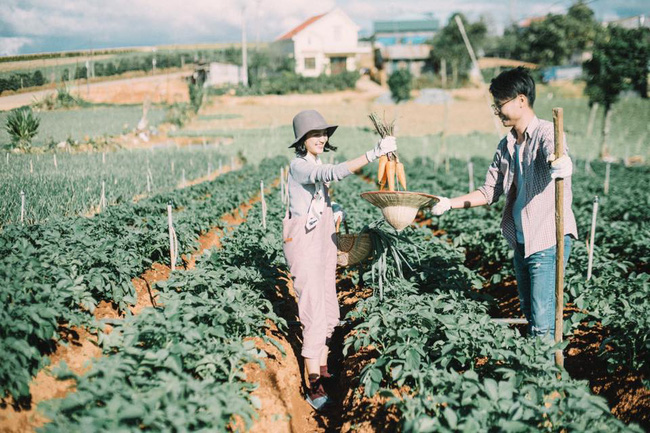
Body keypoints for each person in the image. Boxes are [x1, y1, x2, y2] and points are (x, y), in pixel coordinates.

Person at [431, 67, 577, 340]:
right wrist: (450, 203)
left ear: (521, 100)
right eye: (495, 104)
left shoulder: (547, 132)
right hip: (522, 240)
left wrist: (560, 162)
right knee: (530, 312)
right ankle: (539, 371)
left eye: (501, 103)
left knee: (542, 321)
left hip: (548, 239)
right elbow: (489, 191)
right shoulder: (506, 144)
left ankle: (546, 378)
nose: (497, 110)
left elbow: (554, 153)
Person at [283, 109, 396, 410]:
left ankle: (322, 368)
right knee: (313, 312)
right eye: (313, 135)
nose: (320, 138)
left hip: (323, 244)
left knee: (330, 310)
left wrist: (334, 210)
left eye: (323, 134)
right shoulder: (299, 166)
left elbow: (316, 198)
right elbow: (329, 173)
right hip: (304, 247)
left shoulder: (314, 162)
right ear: (302, 140)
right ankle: (314, 386)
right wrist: (373, 153)